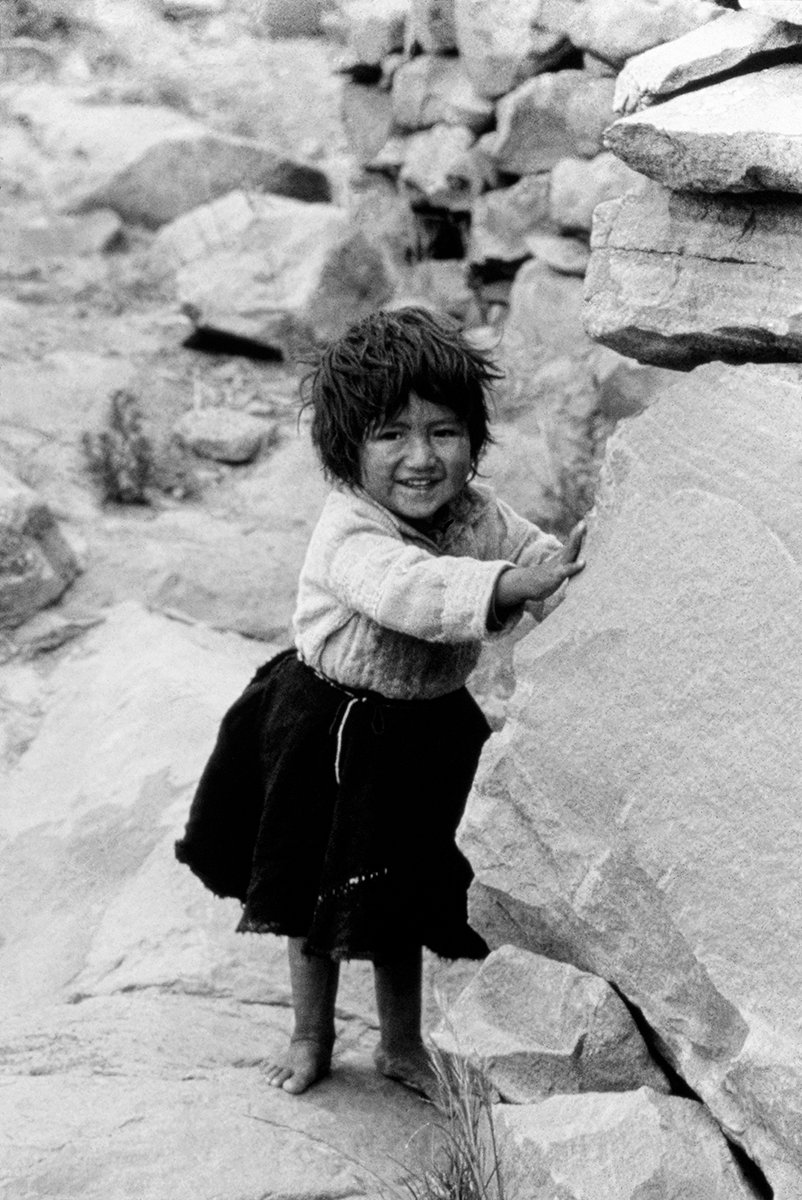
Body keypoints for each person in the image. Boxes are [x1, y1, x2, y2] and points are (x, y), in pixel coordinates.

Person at [175, 306, 585, 1099]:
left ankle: (401, 1045)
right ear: (345, 450)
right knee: (310, 893)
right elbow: (411, 590)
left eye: (443, 432)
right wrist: (507, 587)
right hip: (329, 729)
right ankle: (310, 1034)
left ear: (474, 436)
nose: (422, 458)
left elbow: (533, 553)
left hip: (427, 728)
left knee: (401, 889)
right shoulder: (349, 531)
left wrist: (564, 572)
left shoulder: (476, 513)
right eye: (391, 435)